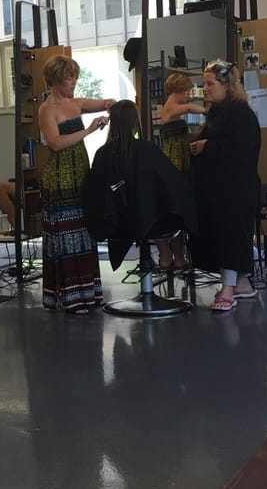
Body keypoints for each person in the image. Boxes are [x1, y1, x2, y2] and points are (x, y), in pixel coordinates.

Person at [37, 54, 116, 314]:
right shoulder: (46, 110)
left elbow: (106, 102)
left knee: (83, 232)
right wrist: (89, 130)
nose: (73, 82)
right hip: (60, 178)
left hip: (80, 173)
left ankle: (88, 293)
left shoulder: (77, 103)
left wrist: (112, 106)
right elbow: (55, 143)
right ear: (56, 80)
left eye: (74, 77)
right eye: (68, 78)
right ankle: (70, 296)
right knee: (65, 237)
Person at [84, 99, 196, 269]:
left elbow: (95, 192)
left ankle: (165, 256)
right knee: (172, 202)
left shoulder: (102, 153)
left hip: (118, 221)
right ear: (136, 123)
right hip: (147, 220)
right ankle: (177, 258)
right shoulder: (147, 150)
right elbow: (175, 186)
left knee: (151, 205)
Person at [189, 59, 261, 313]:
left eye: (210, 84)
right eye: (204, 83)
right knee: (222, 235)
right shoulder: (218, 113)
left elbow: (242, 150)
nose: (205, 88)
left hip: (236, 189)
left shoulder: (239, 112)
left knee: (230, 236)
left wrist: (207, 146)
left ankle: (228, 289)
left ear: (226, 84)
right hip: (220, 188)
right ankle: (242, 284)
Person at [155, 72, 206, 269]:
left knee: (180, 208)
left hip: (181, 155)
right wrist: (208, 111)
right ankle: (173, 256)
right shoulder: (169, 108)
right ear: (178, 90)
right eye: (186, 91)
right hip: (173, 158)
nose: (187, 95)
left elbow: (186, 136)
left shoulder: (175, 110)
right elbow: (190, 107)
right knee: (176, 207)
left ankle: (179, 256)